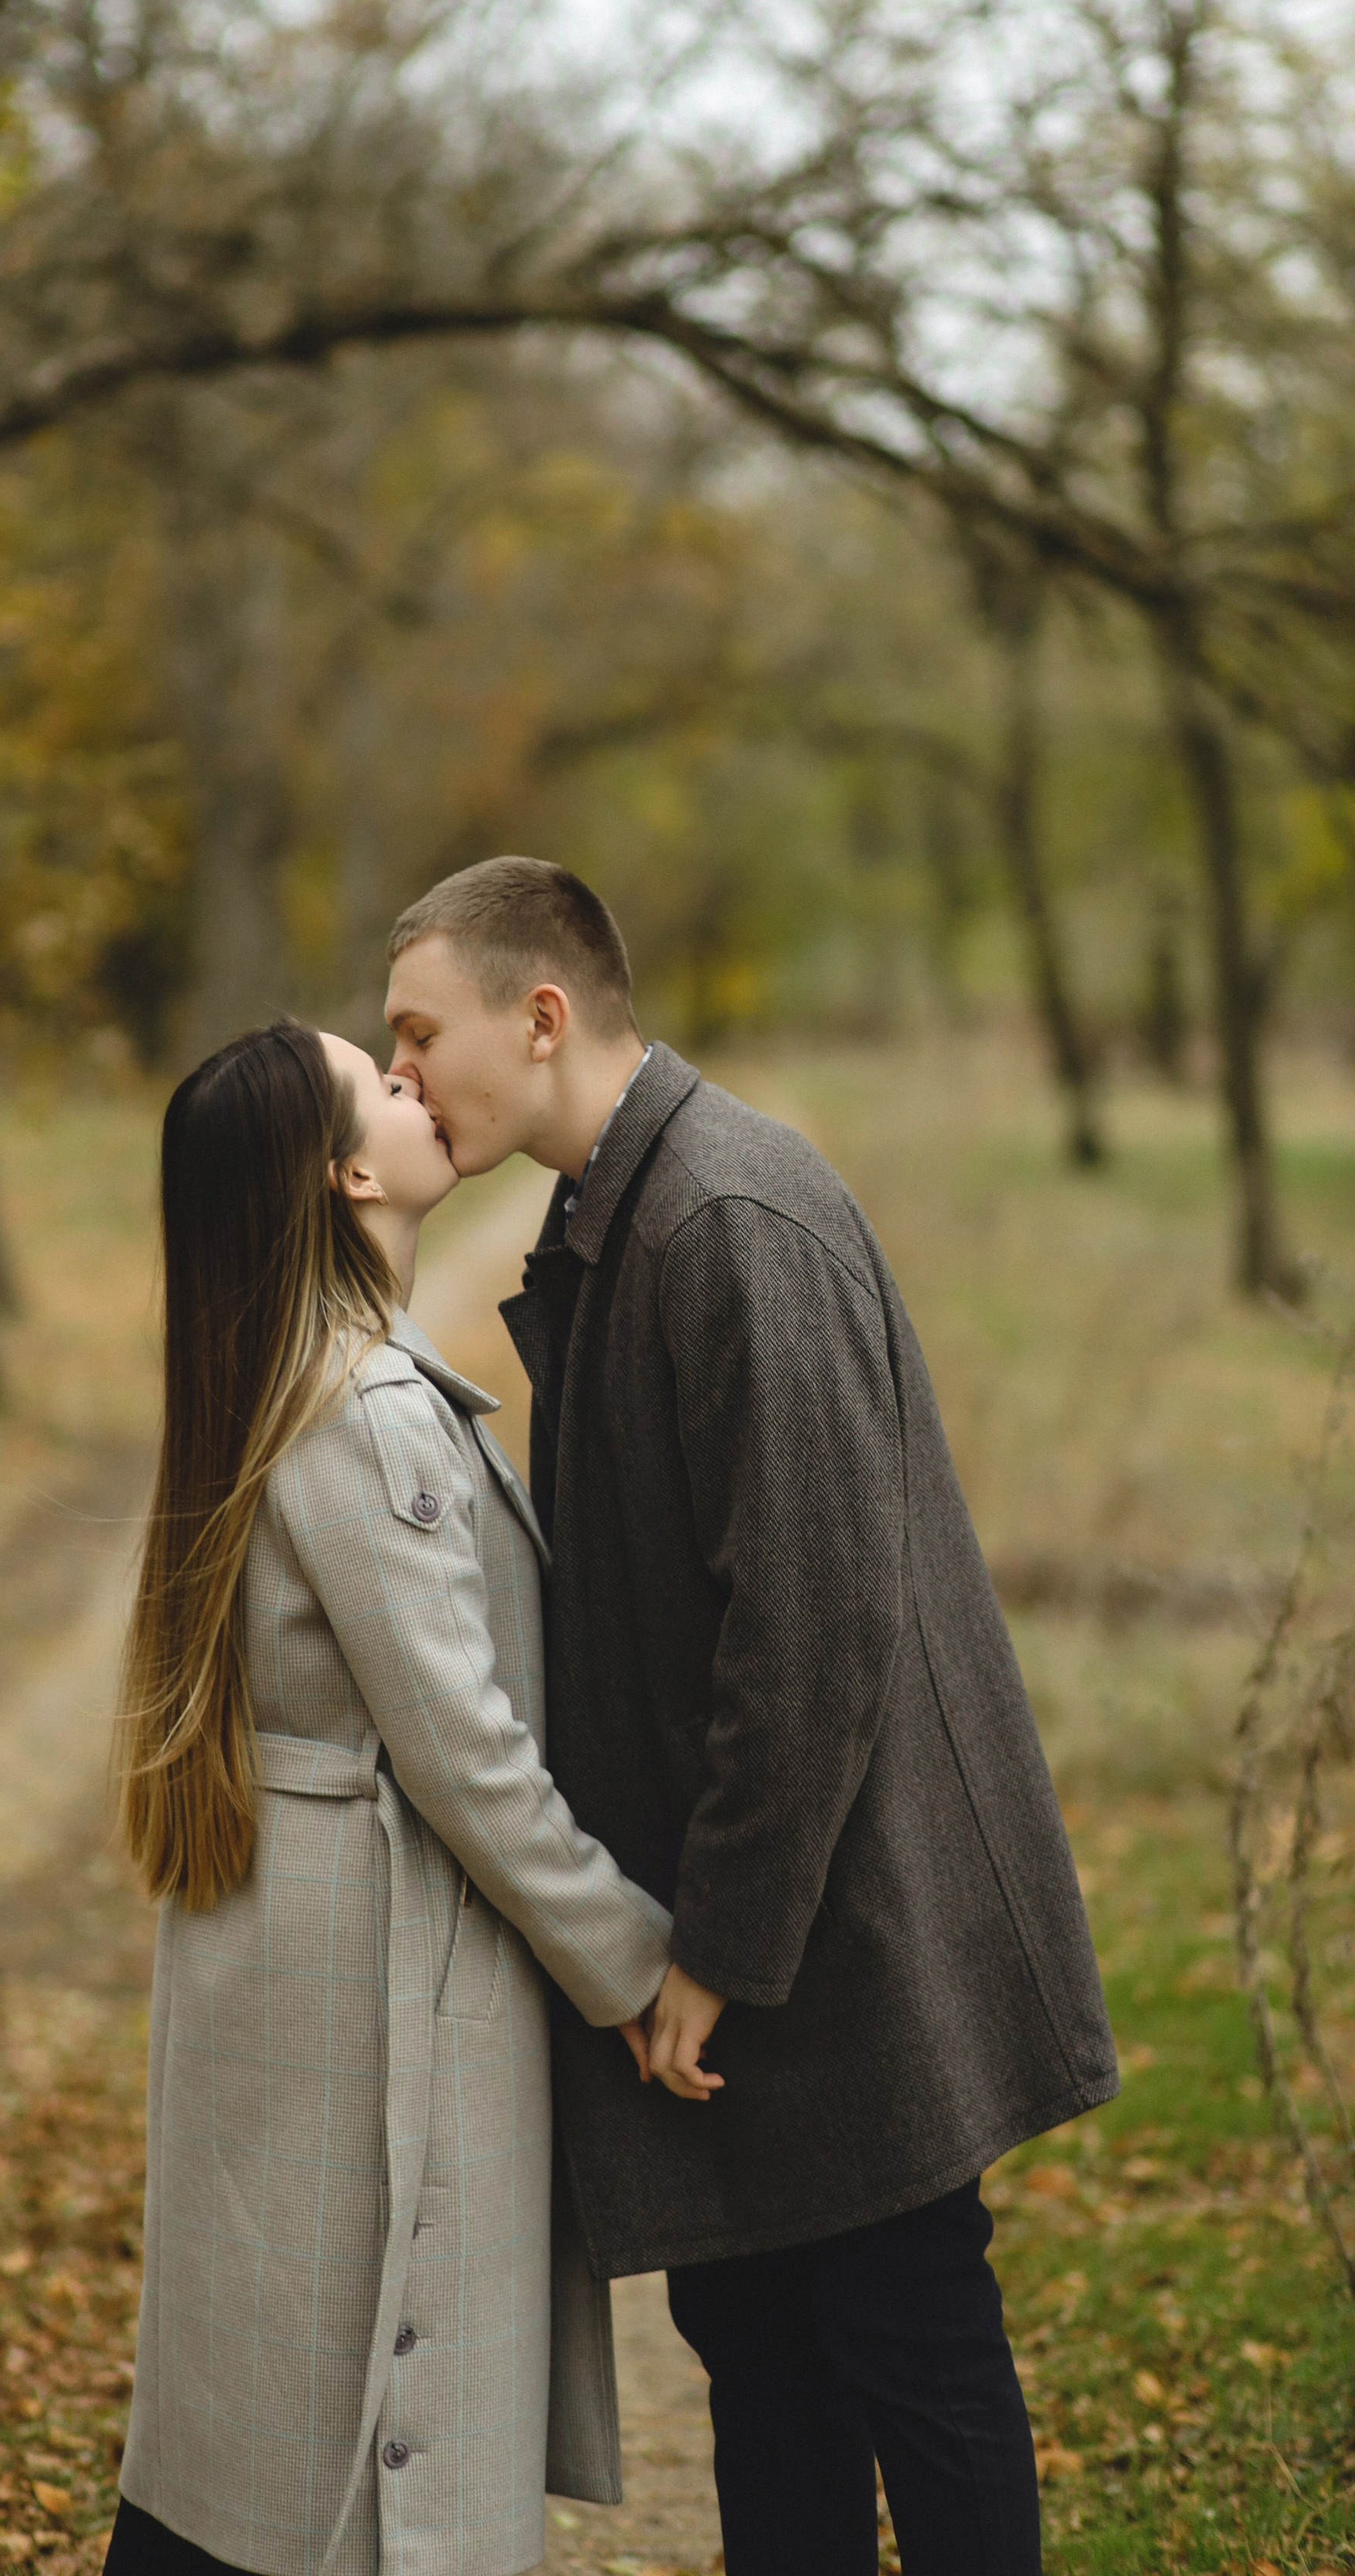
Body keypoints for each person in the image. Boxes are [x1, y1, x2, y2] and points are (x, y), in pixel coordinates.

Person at [385, 857, 1120, 2576]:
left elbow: (808, 1630)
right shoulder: (620, 1217)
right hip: (753, 1933)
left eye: (419, 1032)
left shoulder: (726, 1215)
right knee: (764, 2366)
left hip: (844, 1939)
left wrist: (704, 1948)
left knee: (911, 2353)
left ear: (540, 1013)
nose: (399, 1069)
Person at [108, 1020, 682, 2576]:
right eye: (384, 1077)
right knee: (355, 2448)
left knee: (259, 2441)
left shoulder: (290, 1375)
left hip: (295, 1962)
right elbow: (466, 1754)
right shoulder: (360, 1415)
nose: (416, 1082)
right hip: (368, 1981)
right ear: (347, 1170)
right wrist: (635, 1962)